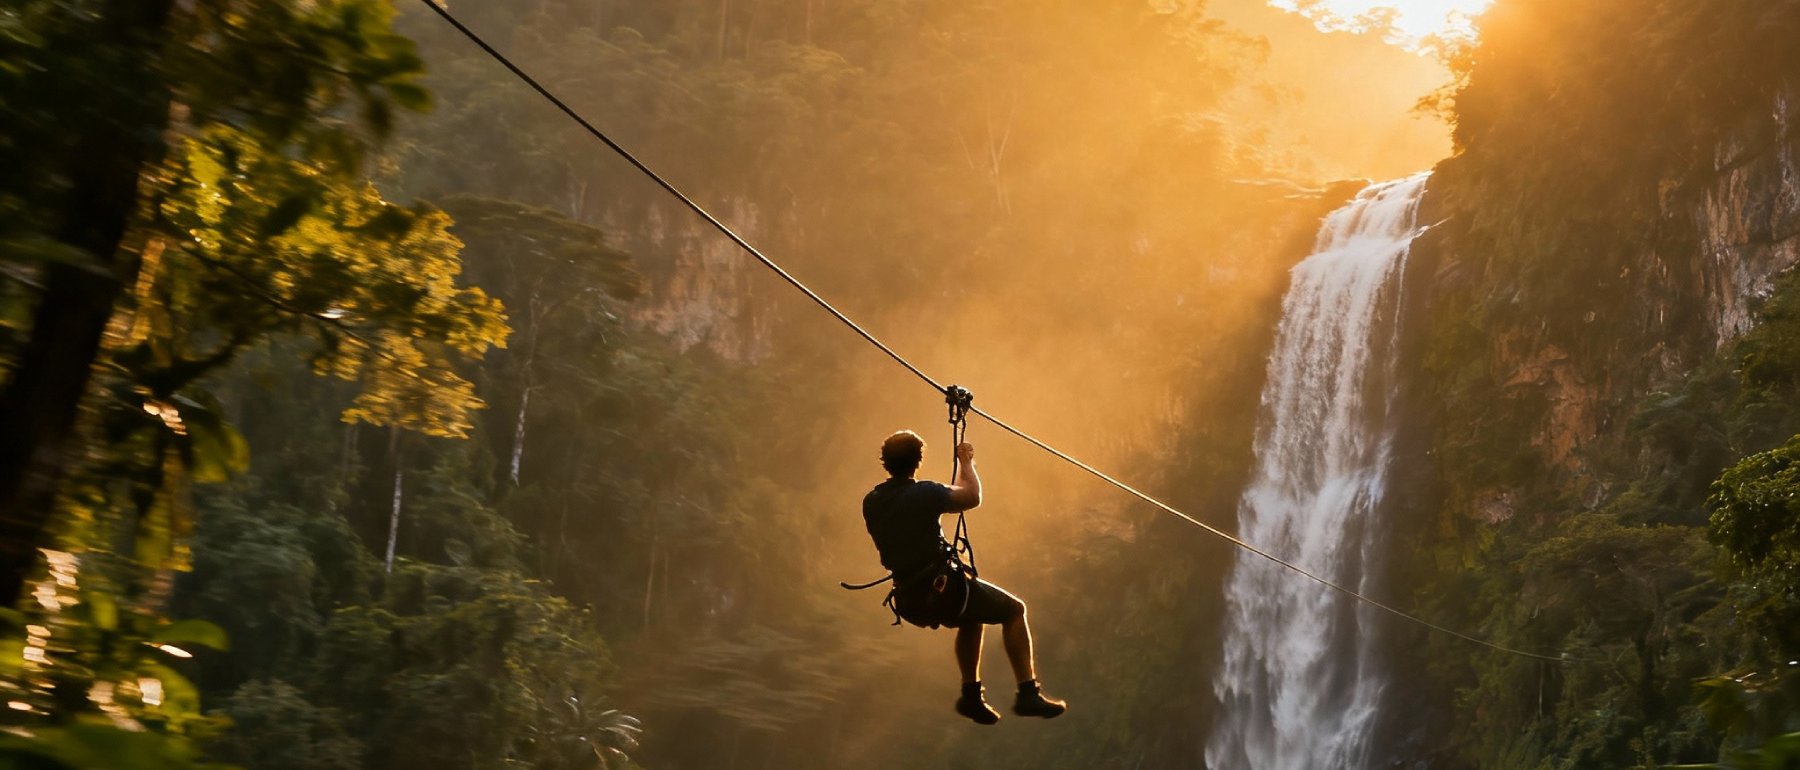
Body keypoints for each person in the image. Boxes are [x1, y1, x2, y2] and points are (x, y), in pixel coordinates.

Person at [860, 429, 1067, 724]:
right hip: (942, 590)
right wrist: (966, 461)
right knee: (1014, 610)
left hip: (909, 600)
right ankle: (1027, 693)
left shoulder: (872, 501)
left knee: (973, 616)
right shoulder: (924, 493)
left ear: (885, 462)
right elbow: (971, 496)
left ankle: (971, 696)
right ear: (918, 461)